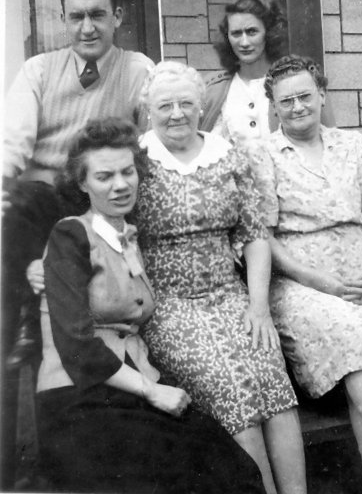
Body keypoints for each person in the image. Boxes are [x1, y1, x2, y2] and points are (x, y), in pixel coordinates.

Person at [37, 117, 265, 494]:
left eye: (128, 172)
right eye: (104, 176)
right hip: (79, 398)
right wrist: (151, 390)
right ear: (82, 183)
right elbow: (76, 348)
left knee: (236, 469)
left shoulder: (128, 237)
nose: (120, 184)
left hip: (135, 383)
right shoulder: (70, 236)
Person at [135, 61, 307, 494]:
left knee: (272, 381)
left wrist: (258, 305)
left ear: (201, 106)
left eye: (187, 103)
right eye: (165, 105)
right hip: (168, 305)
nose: (177, 113)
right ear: (147, 110)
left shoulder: (228, 155)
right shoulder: (137, 162)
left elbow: (253, 234)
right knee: (231, 386)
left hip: (230, 295)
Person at [262, 54, 362, 494]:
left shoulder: (352, 144)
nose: (298, 106)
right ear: (274, 106)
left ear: (322, 94)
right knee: (357, 340)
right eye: (287, 101)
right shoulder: (261, 154)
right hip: (302, 286)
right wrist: (318, 280)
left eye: (305, 96)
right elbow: (262, 237)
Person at [2, 0, 153, 369]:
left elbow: (151, 143)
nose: (87, 28)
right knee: (17, 199)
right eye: (76, 17)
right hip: (40, 198)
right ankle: (19, 329)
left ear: (117, 16)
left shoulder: (137, 70)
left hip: (95, 198)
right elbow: (12, 141)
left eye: (98, 15)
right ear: (63, 20)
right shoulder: (39, 70)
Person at [200, 0, 335, 173]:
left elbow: (331, 143)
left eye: (252, 32)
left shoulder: (300, 80)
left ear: (269, 33)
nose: (244, 42)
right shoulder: (213, 88)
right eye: (236, 34)